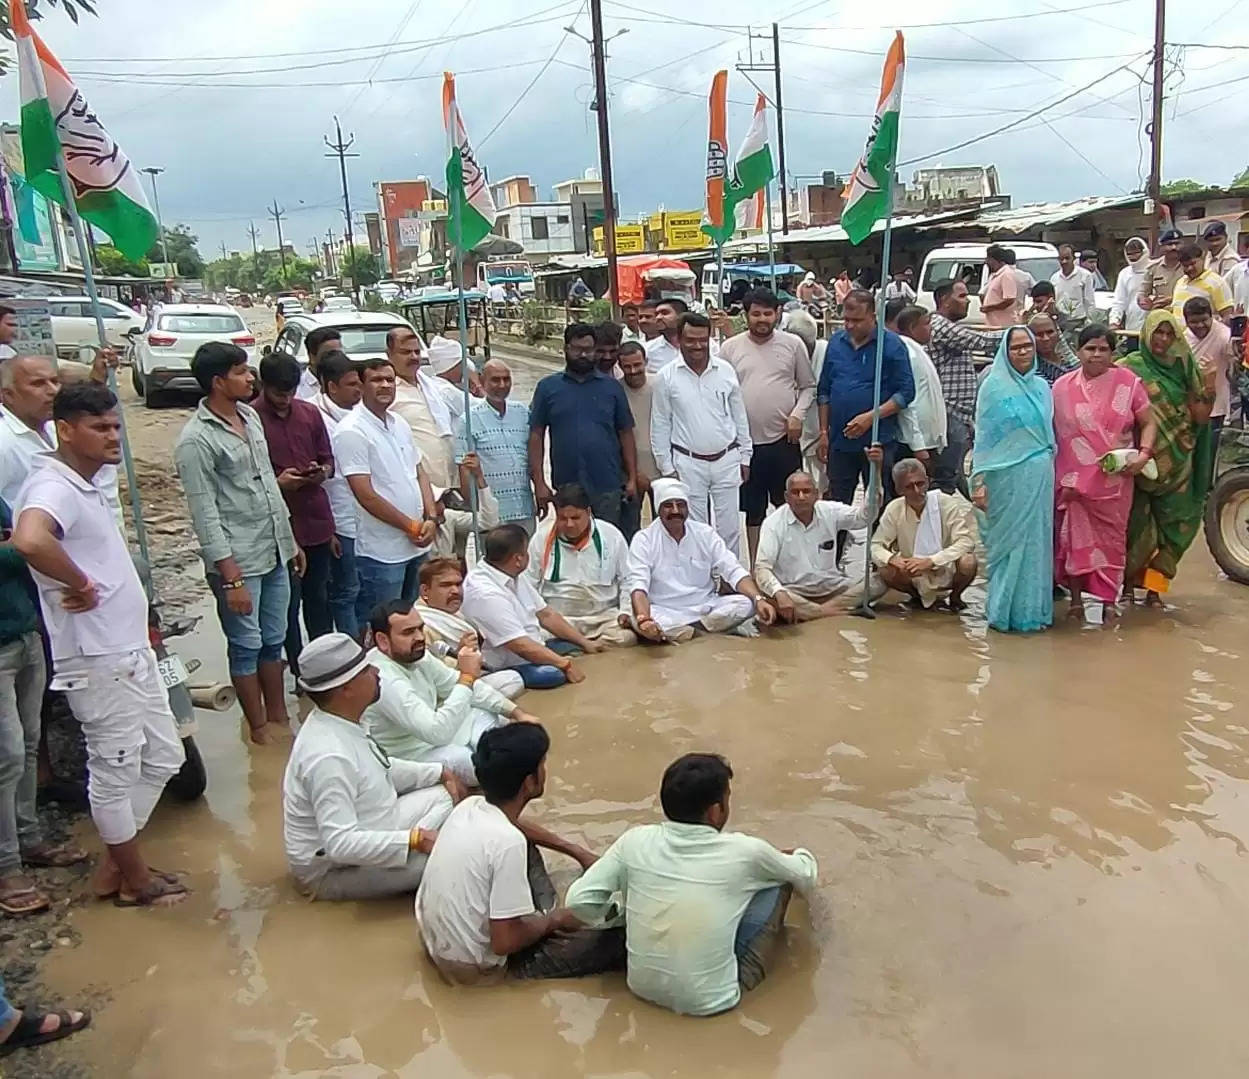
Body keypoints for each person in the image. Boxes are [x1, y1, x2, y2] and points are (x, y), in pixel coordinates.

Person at [14, 383, 187, 907]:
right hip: (96, 657)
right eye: (100, 428)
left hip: (128, 650)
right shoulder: (53, 485)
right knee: (114, 768)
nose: (113, 436)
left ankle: (118, 866)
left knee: (163, 756)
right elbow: (30, 539)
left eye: (116, 426)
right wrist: (79, 583)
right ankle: (134, 881)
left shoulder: (88, 481)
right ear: (66, 431)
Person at [566, 751, 816, 1016]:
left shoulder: (634, 841)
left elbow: (579, 900)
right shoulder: (745, 851)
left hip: (640, 989)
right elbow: (806, 875)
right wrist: (794, 854)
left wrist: (620, 914)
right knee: (778, 881)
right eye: (727, 798)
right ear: (715, 811)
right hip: (714, 1003)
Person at [416, 722, 626, 985]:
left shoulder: (469, 806)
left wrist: (575, 851)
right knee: (620, 939)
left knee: (525, 844)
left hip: (434, 945)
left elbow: (516, 827)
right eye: (542, 764)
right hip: (477, 970)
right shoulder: (507, 842)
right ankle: (547, 920)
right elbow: (505, 942)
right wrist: (555, 920)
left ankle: (540, 914)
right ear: (530, 781)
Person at [174, 343, 300, 745]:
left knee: (274, 638)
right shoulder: (195, 441)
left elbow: (267, 485)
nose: (251, 378)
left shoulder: (249, 416)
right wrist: (231, 579)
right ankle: (258, 728)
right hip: (239, 560)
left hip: (274, 548)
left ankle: (279, 718)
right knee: (246, 645)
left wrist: (291, 541)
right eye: (242, 372)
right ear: (217, 381)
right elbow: (205, 514)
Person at [281, 633, 457, 900]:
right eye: (366, 670)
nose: (376, 671)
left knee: (446, 795)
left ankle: (414, 849)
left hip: (375, 822)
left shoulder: (342, 720)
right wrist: (414, 840)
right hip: (334, 870)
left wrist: (439, 772)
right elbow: (339, 844)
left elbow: (381, 768)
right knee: (453, 861)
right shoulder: (328, 756)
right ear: (346, 689)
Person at [0, 495, 87, 916]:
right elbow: (27, 550)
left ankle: (29, 839)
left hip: (23, 634)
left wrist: (18, 549)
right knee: (8, 754)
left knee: (30, 742)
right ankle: (7, 866)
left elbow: (27, 553)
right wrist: (18, 548)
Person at [1052, 325, 1157, 624]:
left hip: (1115, 481)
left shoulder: (1129, 383)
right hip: (1072, 480)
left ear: (1113, 353)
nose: (1096, 355)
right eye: (1090, 348)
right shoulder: (1061, 387)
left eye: (1103, 349)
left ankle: (1109, 601)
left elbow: (1149, 422)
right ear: (1078, 350)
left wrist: (1144, 454)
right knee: (1072, 538)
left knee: (1112, 541)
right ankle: (1075, 602)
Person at [363, 601, 533, 785]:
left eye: (420, 629)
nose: (420, 637)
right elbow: (437, 733)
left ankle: (490, 754)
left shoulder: (418, 655)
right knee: (469, 763)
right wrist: (467, 676)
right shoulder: (383, 678)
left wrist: (518, 713)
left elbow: (454, 683)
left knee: (489, 711)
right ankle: (488, 761)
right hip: (412, 755)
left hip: (436, 732)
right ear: (382, 640)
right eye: (408, 632)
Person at [1121, 309, 1216, 604]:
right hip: (1141, 463)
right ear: (1146, 335)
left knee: (1175, 527)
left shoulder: (1186, 368)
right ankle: (1125, 587)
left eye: (1168, 333)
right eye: (1157, 333)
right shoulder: (1129, 368)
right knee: (1134, 524)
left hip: (1178, 461)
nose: (1162, 340)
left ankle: (1154, 591)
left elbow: (1200, 418)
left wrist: (1209, 388)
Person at [332, 358, 437, 625]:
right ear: (362, 386)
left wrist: (431, 518)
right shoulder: (351, 430)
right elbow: (365, 495)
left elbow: (419, 472)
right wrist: (411, 527)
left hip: (417, 545)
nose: (385, 385)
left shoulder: (399, 423)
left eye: (390, 380)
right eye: (377, 380)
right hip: (382, 553)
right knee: (380, 626)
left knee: (411, 623)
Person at [719, 289, 816, 565]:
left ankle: (793, 564)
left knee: (791, 506)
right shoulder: (730, 348)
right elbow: (721, 394)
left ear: (777, 314)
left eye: (768, 313)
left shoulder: (793, 344)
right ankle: (757, 567)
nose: (762, 319)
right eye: (756, 313)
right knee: (753, 510)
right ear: (746, 315)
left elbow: (809, 386)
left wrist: (797, 415)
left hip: (784, 441)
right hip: (745, 446)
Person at [254, 352, 335, 678]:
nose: (285, 400)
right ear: (264, 386)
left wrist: (320, 472)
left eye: (290, 393)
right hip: (277, 527)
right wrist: (278, 483)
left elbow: (329, 460)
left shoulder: (309, 413)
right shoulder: (250, 420)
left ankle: (325, 667)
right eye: (278, 394)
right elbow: (247, 481)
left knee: (320, 599)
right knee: (286, 607)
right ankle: (300, 671)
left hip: (315, 520)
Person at [970, 325, 1056, 633]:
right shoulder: (993, 388)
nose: (1022, 352)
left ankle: (1033, 613)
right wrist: (979, 482)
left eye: (1027, 346)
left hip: (1041, 477)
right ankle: (1003, 611)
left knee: (1036, 545)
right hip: (1006, 478)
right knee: (1008, 546)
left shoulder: (1043, 388)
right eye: (1015, 347)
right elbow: (985, 439)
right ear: (1005, 352)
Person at [650, 312, 751, 557]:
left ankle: (730, 582)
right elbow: (660, 423)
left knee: (729, 528)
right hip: (687, 463)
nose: (697, 346)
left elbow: (739, 416)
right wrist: (667, 468)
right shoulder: (666, 376)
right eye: (690, 340)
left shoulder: (725, 370)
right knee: (694, 527)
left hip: (726, 459)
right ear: (679, 340)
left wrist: (745, 456)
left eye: (702, 340)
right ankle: (702, 581)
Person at [627, 478, 776, 642]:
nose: (675, 511)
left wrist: (759, 599)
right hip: (666, 611)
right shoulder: (644, 539)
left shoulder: (704, 533)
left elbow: (733, 570)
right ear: (659, 509)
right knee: (639, 619)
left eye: (681, 505)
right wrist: (644, 619)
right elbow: (638, 586)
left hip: (705, 607)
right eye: (668, 505)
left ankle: (691, 634)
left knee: (746, 604)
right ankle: (709, 632)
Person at [460, 524, 603, 688]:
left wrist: (585, 643)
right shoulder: (485, 593)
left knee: (576, 645)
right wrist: (566, 665)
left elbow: (547, 615)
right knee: (553, 675)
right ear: (518, 559)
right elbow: (520, 645)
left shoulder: (511, 573)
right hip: (505, 663)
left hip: (533, 644)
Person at [529, 323, 637, 531]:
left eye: (588, 350)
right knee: (571, 539)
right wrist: (539, 483)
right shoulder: (547, 388)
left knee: (606, 541)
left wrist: (631, 478)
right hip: (567, 483)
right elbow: (536, 435)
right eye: (578, 349)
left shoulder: (611, 388)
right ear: (566, 349)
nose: (583, 355)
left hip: (607, 481)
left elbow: (626, 433)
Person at [816, 289, 914, 505]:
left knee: (880, 502)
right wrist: (823, 432)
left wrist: (871, 417)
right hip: (839, 441)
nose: (850, 326)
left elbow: (906, 392)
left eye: (857, 320)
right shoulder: (836, 343)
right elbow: (824, 390)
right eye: (846, 320)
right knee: (837, 503)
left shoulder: (891, 345)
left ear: (873, 316)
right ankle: (837, 540)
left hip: (878, 441)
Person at [755, 461, 886, 621]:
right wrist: (779, 593)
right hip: (793, 591)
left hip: (832, 587)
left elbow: (865, 518)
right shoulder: (773, 523)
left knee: (880, 581)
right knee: (764, 591)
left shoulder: (829, 511)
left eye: (806, 491)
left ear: (816, 494)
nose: (801, 497)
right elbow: (762, 568)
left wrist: (876, 472)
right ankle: (834, 612)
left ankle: (818, 612)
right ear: (786, 497)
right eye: (795, 492)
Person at [1, 354, 122, 526]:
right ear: (9, 395)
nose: (52, 391)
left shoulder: (53, 427)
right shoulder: (4, 441)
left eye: (54, 381)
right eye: (38, 384)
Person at [526, 483, 636, 647]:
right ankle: (583, 646)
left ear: (589, 512)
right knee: (532, 639)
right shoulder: (541, 538)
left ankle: (577, 647)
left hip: (602, 618)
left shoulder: (611, 535)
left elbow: (627, 579)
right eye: (563, 518)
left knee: (627, 638)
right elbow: (528, 585)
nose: (569, 524)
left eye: (575, 518)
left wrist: (625, 611)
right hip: (559, 620)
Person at [871, 458, 978, 612]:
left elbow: (966, 542)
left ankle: (955, 597)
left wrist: (931, 561)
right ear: (899, 490)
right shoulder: (894, 508)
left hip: (945, 566)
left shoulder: (946, 503)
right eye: (909, 487)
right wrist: (893, 559)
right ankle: (917, 597)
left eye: (920, 484)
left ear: (928, 481)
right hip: (913, 571)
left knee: (968, 561)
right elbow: (876, 545)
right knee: (885, 569)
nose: (917, 491)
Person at [928, 279, 1002, 497]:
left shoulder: (949, 327)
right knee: (946, 479)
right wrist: (1019, 333)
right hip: (948, 413)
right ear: (944, 300)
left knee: (956, 475)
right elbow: (980, 341)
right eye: (961, 296)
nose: (967, 301)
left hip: (959, 415)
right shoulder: (940, 326)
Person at [412, 558, 524, 698]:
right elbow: (429, 677)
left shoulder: (456, 610)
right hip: (446, 691)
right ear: (425, 590)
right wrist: (459, 656)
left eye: (458, 584)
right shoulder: (421, 625)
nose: (454, 591)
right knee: (512, 679)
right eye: (445, 585)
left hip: (477, 672)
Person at [310, 350, 364, 638]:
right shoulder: (314, 416)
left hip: (366, 519)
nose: (359, 390)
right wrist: (329, 530)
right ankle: (351, 650)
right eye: (352, 385)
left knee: (364, 589)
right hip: (339, 521)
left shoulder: (362, 414)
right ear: (331, 387)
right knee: (346, 591)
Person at [455, 359, 534, 533]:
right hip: (492, 514)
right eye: (495, 380)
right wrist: (475, 510)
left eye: (506, 379)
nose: (502, 385)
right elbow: (464, 468)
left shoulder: (522, 412)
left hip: (524, 508)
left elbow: (533, 456)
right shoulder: (468, 419)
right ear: (482, 381)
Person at [386, 327, 458, 490]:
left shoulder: (431, 386)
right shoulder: (388, 393)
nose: (413, 357)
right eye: (405, 352)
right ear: (389, 354)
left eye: (416, 352)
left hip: (449, 483)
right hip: (417, 488)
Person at [895, 306, 947, 468]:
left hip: (927, 439)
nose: (931, 328)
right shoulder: (907, 352)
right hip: (916, 442)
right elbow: (907, 402)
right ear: (912, 328)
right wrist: (917, 445)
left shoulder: (918, 350)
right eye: (926, 323)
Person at [618, 341, 657, 537]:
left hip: (663, 469)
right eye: (627, 366)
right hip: (631, 472)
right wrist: (634, 473)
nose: (633, 371)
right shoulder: (615, 391)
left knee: (666, 526)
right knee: (631, 528)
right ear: (620, 366)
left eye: (637, 365)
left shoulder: (660, 385)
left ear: (646, 362)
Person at [1183, 296, 1235, 439]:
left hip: (1216, 408)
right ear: (1186, 321)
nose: (1200, 325)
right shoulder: (1183, 338)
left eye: (1204, 320)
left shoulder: (1224, 335)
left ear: (1212, 317)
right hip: (1189, 407)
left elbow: (1236, 362)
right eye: (1194, 322)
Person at [1172, 241, 1234, 322]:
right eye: (1185, 266)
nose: (1189, 268)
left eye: (1193, 263)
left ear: (1202, 258)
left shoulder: (1217, 283)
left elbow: (1227, 316)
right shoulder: (1180, 283)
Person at [1138, 228, 1185, 313]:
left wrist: (1172, 299)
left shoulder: (1189, 265)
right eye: (1169, 244)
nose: (1174, 247)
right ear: (1162, 247)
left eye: (1177, 243)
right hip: (1162, 316)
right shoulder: (1154, 268)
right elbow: (1142, 293)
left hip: (1185, 314)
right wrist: (1143, 301)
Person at [1110, 237, 1150, 332]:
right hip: (1132, 327)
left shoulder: (1154, 269)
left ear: (1144, 251)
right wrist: (1114, 321)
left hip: (1153, 327)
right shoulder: (1124, 273)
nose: (1133, 257)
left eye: (1136, 253)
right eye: (1129, 254)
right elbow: (1119, 301)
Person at [1027, 311, 1079, 385]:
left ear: (1058, 333)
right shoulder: (1032, 372)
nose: (1046, 338)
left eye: (1050, 332)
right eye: (1039, 334)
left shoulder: (1070, 362)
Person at [1050, 244, 1096, 326]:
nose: (1064, 261)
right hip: (1060, 322)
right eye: (1061, 259)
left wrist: (1090, 323)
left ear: (1073, 258)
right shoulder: (1054, 278)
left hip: (1079, 322)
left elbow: (1089, 302)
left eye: (1067, 258)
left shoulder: (1085, 275)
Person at [643, 297, 691, 372]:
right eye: (656, 314)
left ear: (681, 316)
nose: (658, 317)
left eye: (665, 313)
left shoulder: (705, 345)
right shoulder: (648, 350)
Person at [295, 327, 343, 401]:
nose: (336, 358)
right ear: (312, 357)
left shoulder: (349, 383)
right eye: (330, 354)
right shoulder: (297, 388)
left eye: (339, 353)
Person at [978, 246, 1019, 329]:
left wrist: (990, 308)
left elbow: (1009, 299)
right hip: (993, 324)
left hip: (1002, 325)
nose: (986, 262)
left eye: (988, 259)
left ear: (995, 260)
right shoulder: (996, 275)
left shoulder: (1007, 274)